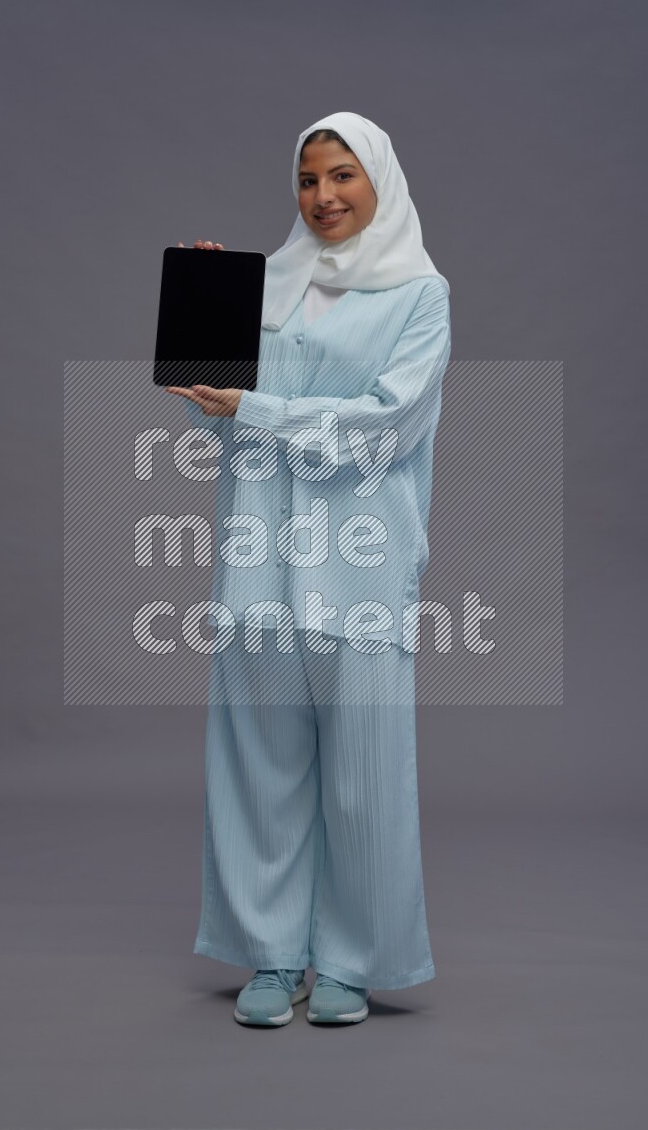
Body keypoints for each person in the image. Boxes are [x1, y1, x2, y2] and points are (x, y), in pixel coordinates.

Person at [167, 112, 452, 1027]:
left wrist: (254, 408)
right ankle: (272, 951)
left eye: (342, 176)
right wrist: (209, 308)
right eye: (306, 179)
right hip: (260, 557)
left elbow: (384, 427)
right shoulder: (270, 288)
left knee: (365, 774)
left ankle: (352, 959)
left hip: (358, 566)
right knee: (258, 764)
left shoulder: (420, 295)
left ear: (379, 181)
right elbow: (218, 408)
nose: (322, 196)